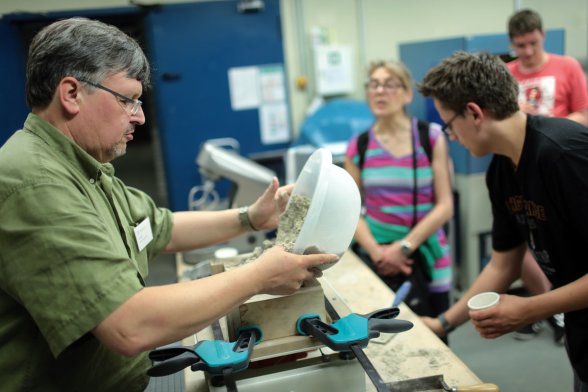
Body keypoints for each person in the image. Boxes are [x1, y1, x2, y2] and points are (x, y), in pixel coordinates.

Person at [0, 18, 337, 392]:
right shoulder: (35, 183)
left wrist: (253, 217)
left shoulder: (82, 167)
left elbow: (161, 227)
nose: (140, 116)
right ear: (71, 94)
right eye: (127, 99)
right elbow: (129, 325)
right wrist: (260, 274)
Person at [418, 51, 588, 391]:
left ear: (474, 113)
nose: (451, 138)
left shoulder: (563, 154)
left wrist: (530, 308)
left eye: (448, 126)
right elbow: (503, 264)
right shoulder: (500, 171)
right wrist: (442, 323)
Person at [344, 61, 454, 324]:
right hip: (376, 258)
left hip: (426, 255)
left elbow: (445, 205)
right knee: (380, 337)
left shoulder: (431, 137)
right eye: (374, 84)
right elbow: (349, 209)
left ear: (407, 94)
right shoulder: (358, 146)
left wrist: (403, 248)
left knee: (433, 338)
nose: (380, 91)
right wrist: (378, 253)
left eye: (390, 84)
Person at [506, 8, 588, 342]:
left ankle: (563, 307)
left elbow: (583, 113)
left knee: (565, 238)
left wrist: (549, 131)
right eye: (520, 45)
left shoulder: (566, 66)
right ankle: (550, 306)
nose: (526, 51)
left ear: (543, 36)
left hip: (558, 164)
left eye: (532, 43)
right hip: (519, 169)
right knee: (519, 238)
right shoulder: (508, 73)